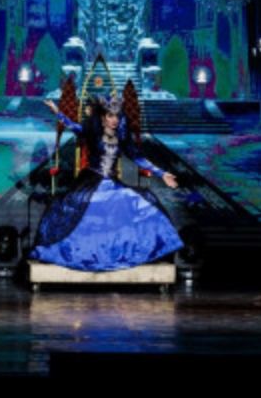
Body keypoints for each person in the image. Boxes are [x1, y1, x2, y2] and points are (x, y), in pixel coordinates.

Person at [30, 94, 183, 271]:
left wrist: (161, 173)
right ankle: (76, 253)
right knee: (75, 208)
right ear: (103, 118)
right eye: (110, 116)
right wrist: (57, 111)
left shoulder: (122, 137)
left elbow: (138, 157)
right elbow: (72, 125)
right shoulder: (93, 133)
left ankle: (123, 252)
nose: (114, 120)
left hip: (112, 182)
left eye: (117, 116)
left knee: (141, 202)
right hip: (91, 181)